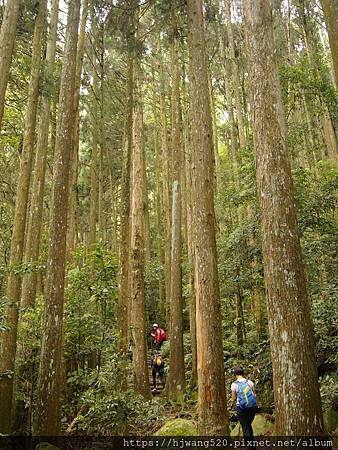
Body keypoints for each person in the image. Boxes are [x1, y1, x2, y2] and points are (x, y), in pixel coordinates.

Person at [231, 366, 257, 439]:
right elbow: (254, 394)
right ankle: (249, 443)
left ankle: (250, 446)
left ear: (235, 374)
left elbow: (233, 398)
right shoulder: (250, 382)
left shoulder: (234, 384)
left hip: (241, 408)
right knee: (248, 425)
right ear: (243, 373)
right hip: (252, 407)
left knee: (246, 426)